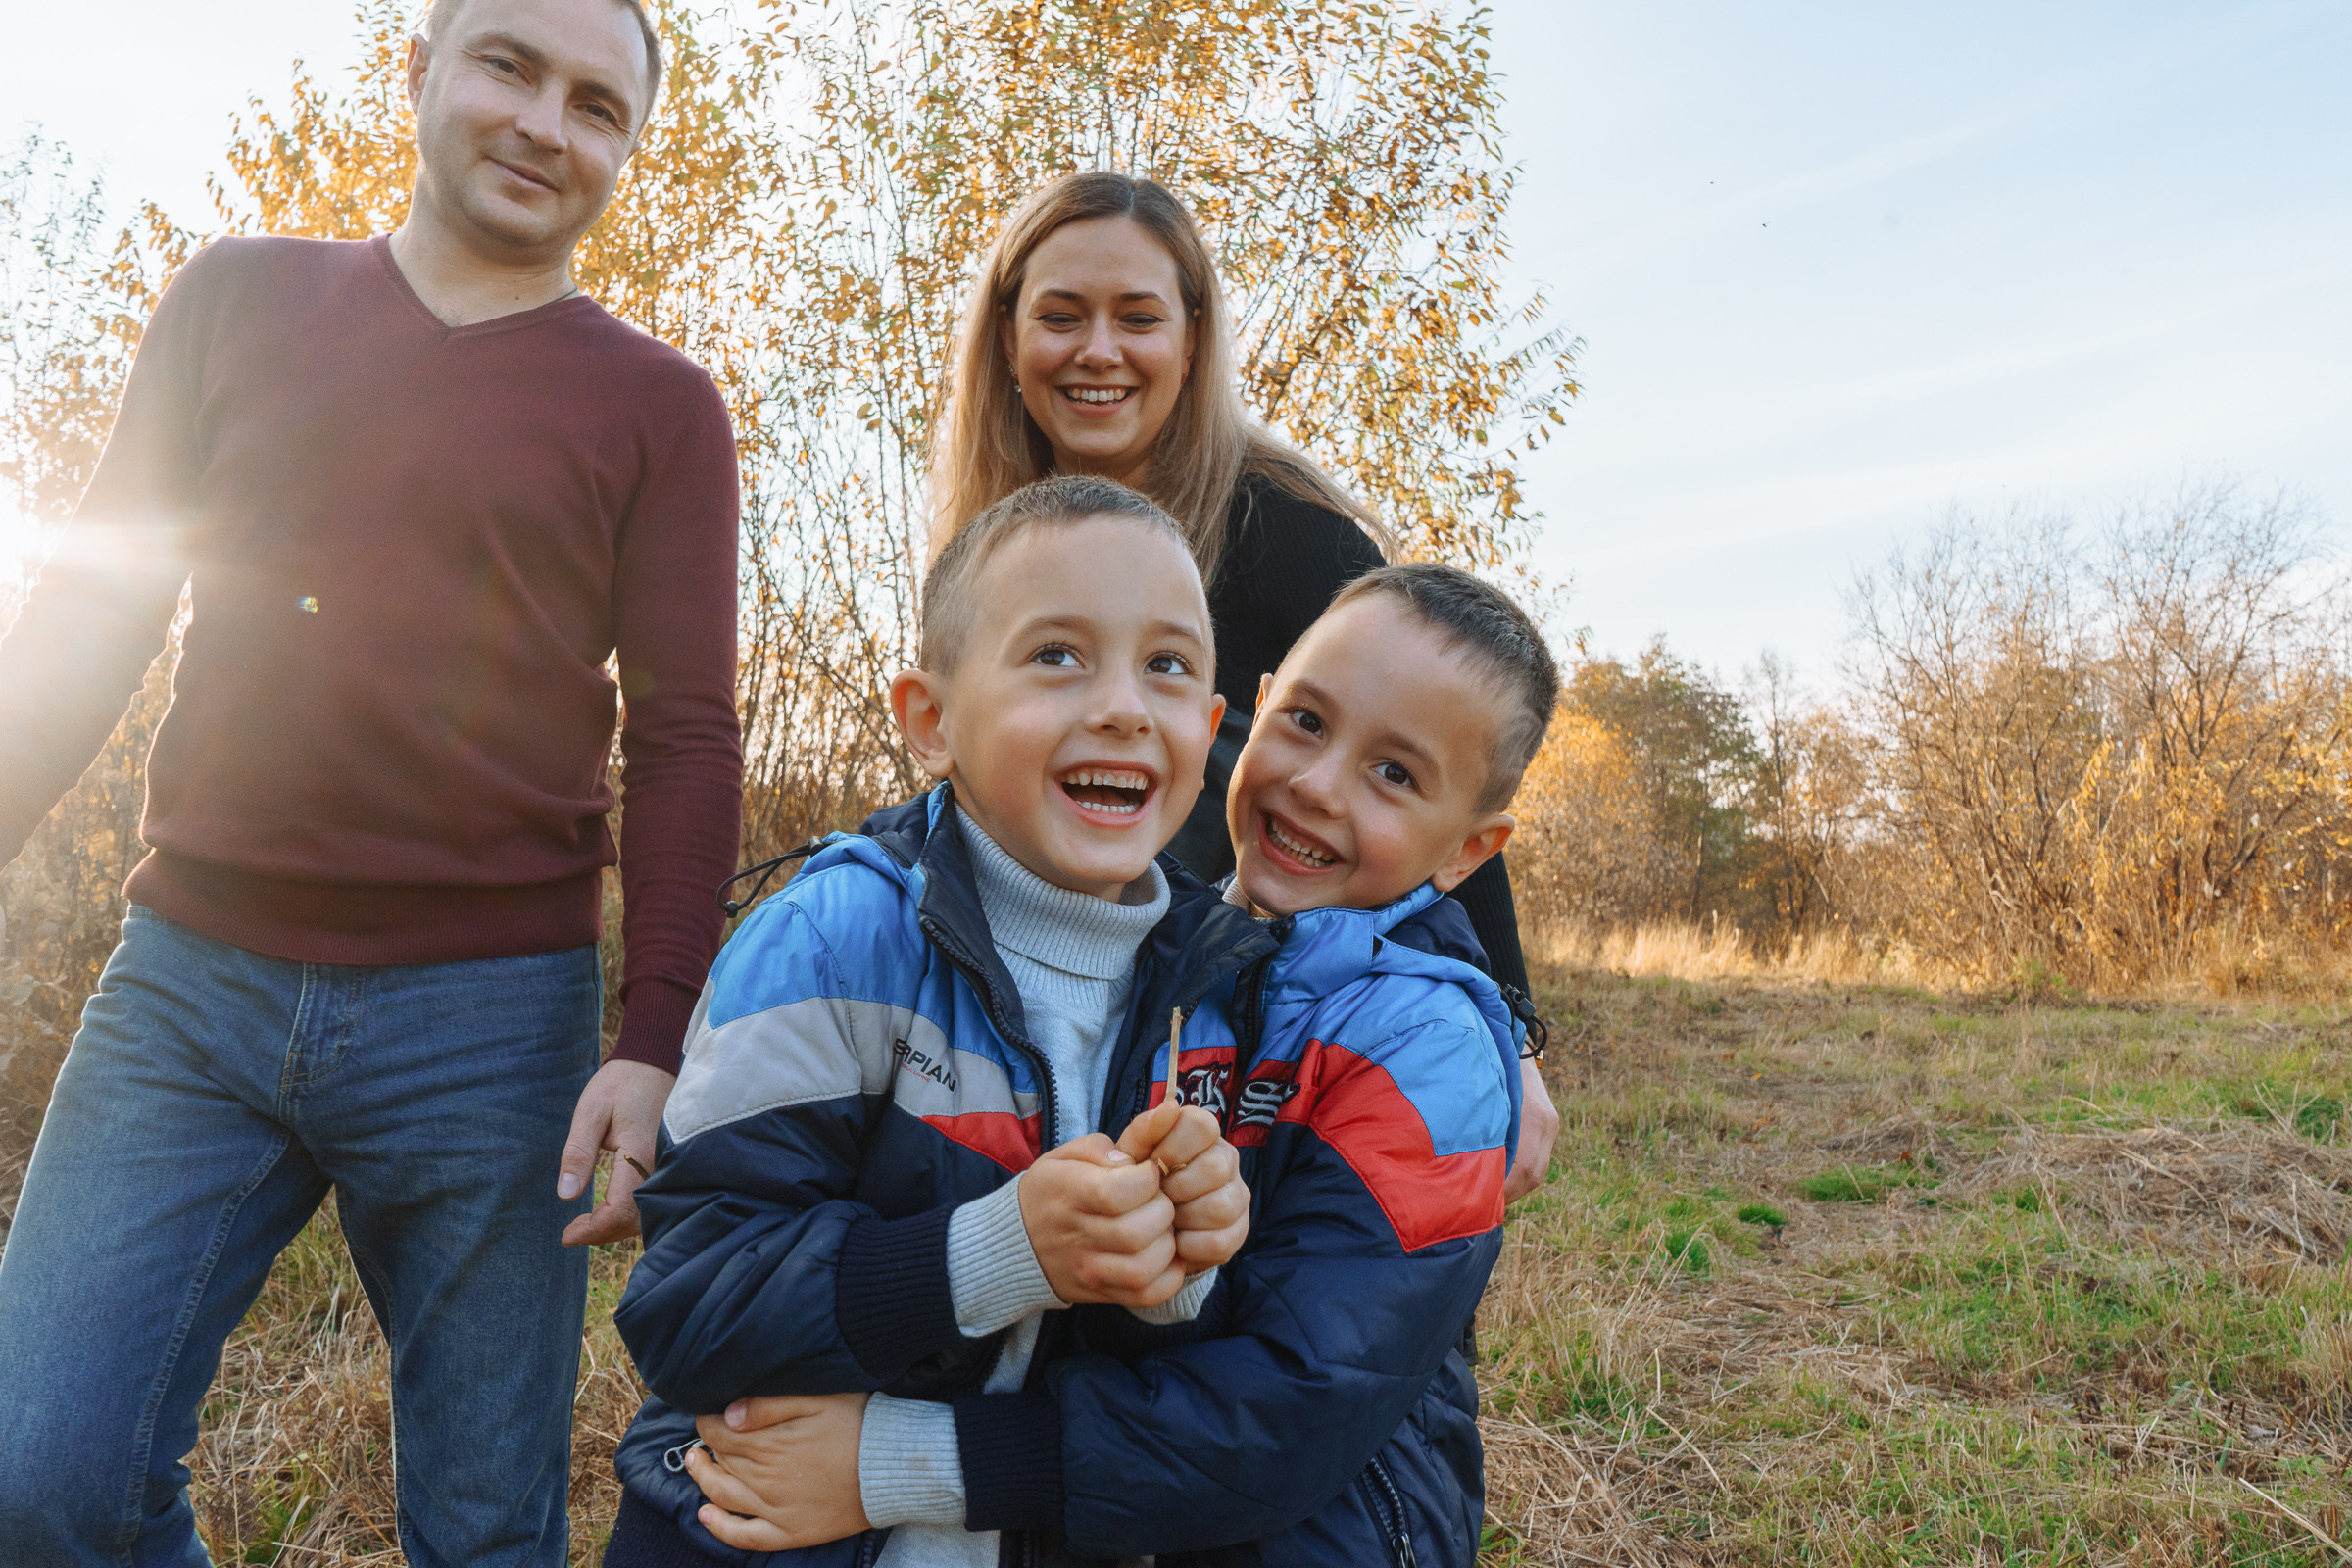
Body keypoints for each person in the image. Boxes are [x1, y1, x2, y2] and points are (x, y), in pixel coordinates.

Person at [0, 1, 741, 1562]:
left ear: (626, 150)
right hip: (189, 990)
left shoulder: (660, 410)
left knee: (482, 1534)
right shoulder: (238, 299)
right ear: (418, 71)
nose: (549, 124)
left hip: (492, 1029)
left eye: (599, 105)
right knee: (42, 1477)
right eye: (510, 67)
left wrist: (654, 1032)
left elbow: (684, 731)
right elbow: (93, 606)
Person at [605, 487, 1545, 1568]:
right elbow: (687, 1297)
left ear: (1203, 719)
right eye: (1059, 656)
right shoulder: (838, 937)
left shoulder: (1204, 991)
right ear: (929, 718)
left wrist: (1175, 1267)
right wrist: (1024, 1249)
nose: (1122, 709)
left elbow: (1273, 1383)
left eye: (1165, 666)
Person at [928, 171, 1559, 1200]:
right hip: (1080, 1006)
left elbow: (1443, 775)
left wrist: (1512, 1031)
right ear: (1007, 337)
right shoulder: (991, 545)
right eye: (1061, 315)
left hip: (1277, 1026)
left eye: (1138, 317)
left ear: (1192, 338)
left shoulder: (1288, 534)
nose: (1099, 351)